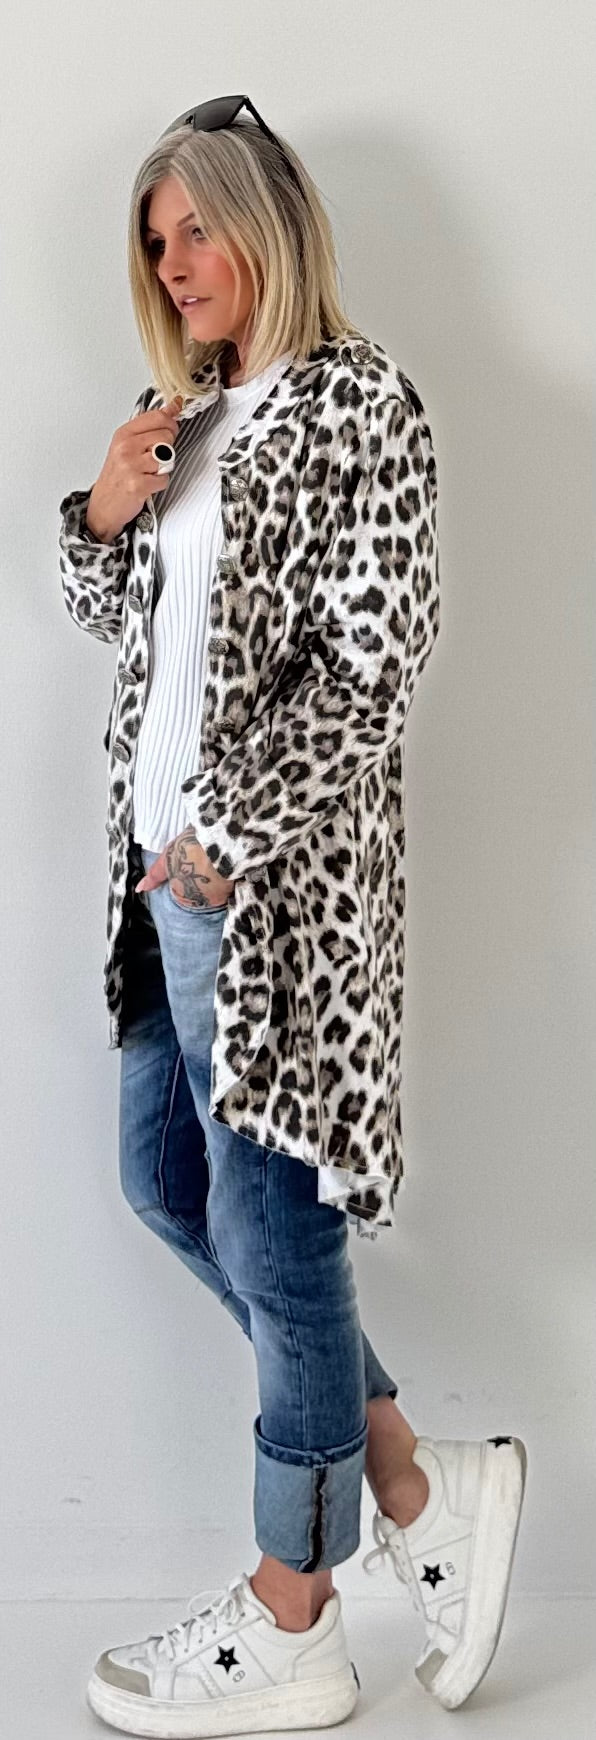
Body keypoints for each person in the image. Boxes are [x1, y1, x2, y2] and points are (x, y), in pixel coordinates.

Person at [58, 95, 527, 1736]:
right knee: (170, 1189)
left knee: (276, 1230)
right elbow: (121, 626)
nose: (176, 264)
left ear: (267, 217)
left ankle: (295, 1611)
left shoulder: (360, 403)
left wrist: (226, 838)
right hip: (156, 889)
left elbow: (372, 673)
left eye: (198, 227)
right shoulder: (180, 416)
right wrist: (105, 510)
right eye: (156, 242)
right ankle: (410, 1478)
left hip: (274, 904)